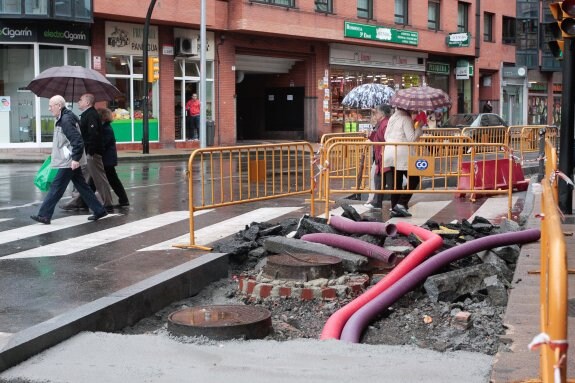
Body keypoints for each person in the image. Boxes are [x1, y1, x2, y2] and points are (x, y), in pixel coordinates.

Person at [31, 95, 108, 224]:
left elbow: (77, 141)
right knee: (82, 186)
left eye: (51, 106)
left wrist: (76, 159)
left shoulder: (65, 120)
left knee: (56, 187)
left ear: (59, 106)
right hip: (69, 160)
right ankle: (99, 210)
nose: (49, 109)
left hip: (69, 161)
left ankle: (44, 215)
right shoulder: (64, 118)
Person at [61, 93, 114, 211]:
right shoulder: (86, 115)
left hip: (92, 153)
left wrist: (90, 152)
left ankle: (107, 203)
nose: (78, 102)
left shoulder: (91, 115)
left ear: (87, 102)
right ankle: (79, 201)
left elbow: (93, 135)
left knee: (99, 178)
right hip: (86, 153)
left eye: (80, 100)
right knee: (82, 178)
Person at [383, 108, 424, 217]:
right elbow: (411, 138)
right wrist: (419, 128)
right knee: (415, 178)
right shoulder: (406, 119)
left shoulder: (392, 118)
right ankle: (401, 204)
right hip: (402, 154)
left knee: (397, 182)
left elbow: (385, 136)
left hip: (390, 152)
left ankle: (394, 207)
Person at [95, 108, 130, 208]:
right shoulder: (105, 127)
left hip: (107, 160)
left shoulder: (106, 129)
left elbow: (103, 144)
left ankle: (124, 200)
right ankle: (123, 200)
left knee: (112, 180)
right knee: (111, 180)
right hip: (108, 159)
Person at [365, 104, 392, 209]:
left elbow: (385, 139)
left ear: (381, 114)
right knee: (379, 178)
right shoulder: (381, 123)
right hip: (381, 156)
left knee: (385, 180)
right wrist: (371, 134)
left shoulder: (385, 124)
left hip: (383, 156)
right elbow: (377, 138)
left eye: (376, 112)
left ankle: (378, 202)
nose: (374, 115)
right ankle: (376, 202)